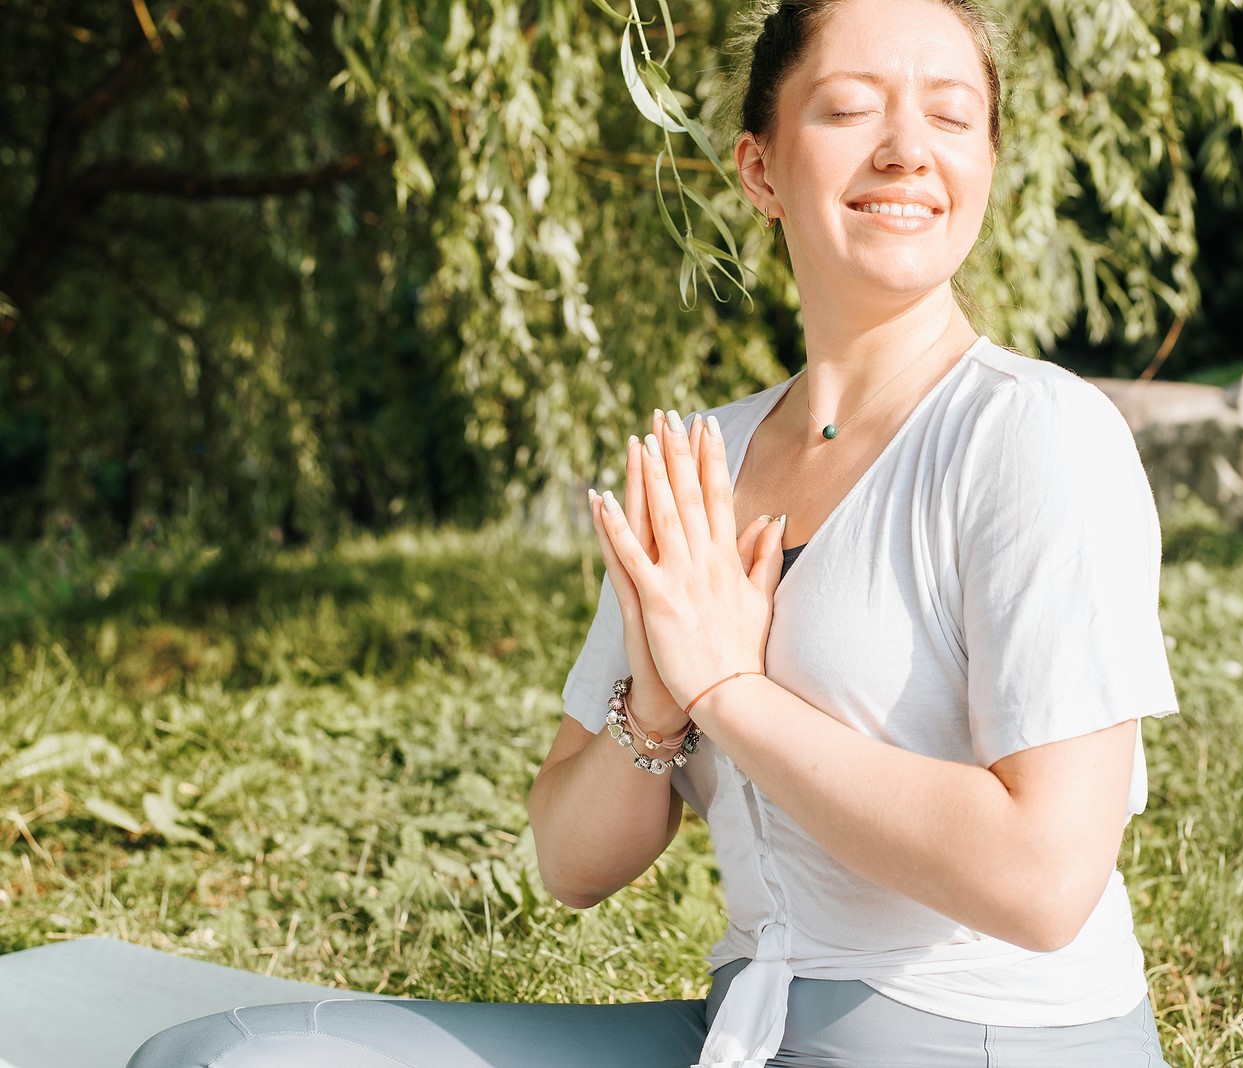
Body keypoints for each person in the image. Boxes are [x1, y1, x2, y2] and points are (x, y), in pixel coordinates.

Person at [127, 1, 1178, 1064]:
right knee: (226, 1057)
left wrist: (732, 692)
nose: (906, 151)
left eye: (952, 119)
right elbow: (570, 863)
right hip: (741, 1032)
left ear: (987, 166)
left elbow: (1043, 881)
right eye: (851, 108)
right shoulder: (698, 463)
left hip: (990, 1041)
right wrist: (663, 702)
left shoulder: (1035, 437)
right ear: (759, 170)